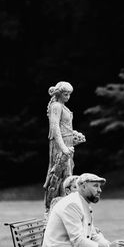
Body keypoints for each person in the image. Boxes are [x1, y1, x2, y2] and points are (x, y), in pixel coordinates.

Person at [43, 81, 86, 212]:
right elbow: (55, 128)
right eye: (65, 94)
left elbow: (65, 128)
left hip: (68, 144)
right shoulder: (56, 106)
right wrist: (63, 148)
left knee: (68, 174)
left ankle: (65, 205)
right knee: (59, 175)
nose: (68, 97)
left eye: (69, 94)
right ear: (59, 93)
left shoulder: (63, 106)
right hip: (59, 146)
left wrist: (75, 136)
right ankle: (54, 207)